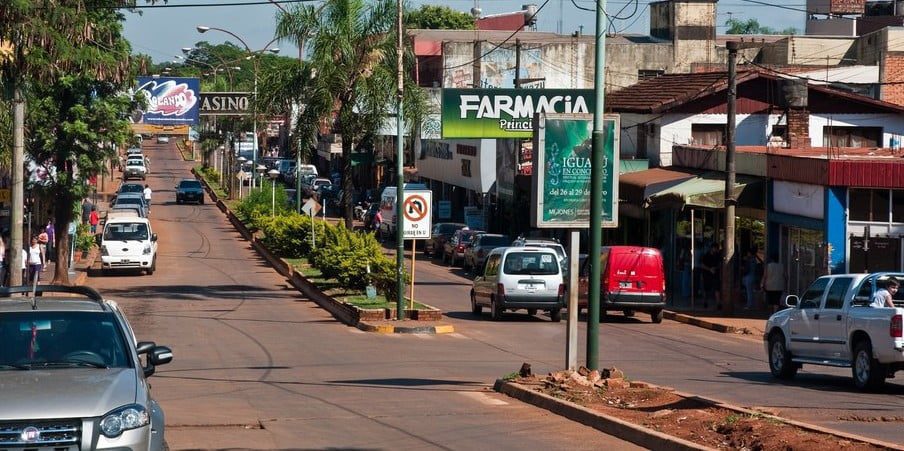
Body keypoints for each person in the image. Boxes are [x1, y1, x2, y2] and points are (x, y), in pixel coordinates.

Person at [700, 243, 722, 309]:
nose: (716, 250)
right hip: (707, 275)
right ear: (712, 248)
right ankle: (705, 302)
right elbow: (702, 265)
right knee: (707, 289)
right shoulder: (706, 255)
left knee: (717, 289)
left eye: (717, 249)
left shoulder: (718, 255)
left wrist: (715, 268)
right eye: (715, 248)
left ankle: (718, 303)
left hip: (715, 274)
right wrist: (709, 269)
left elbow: (720, 264)